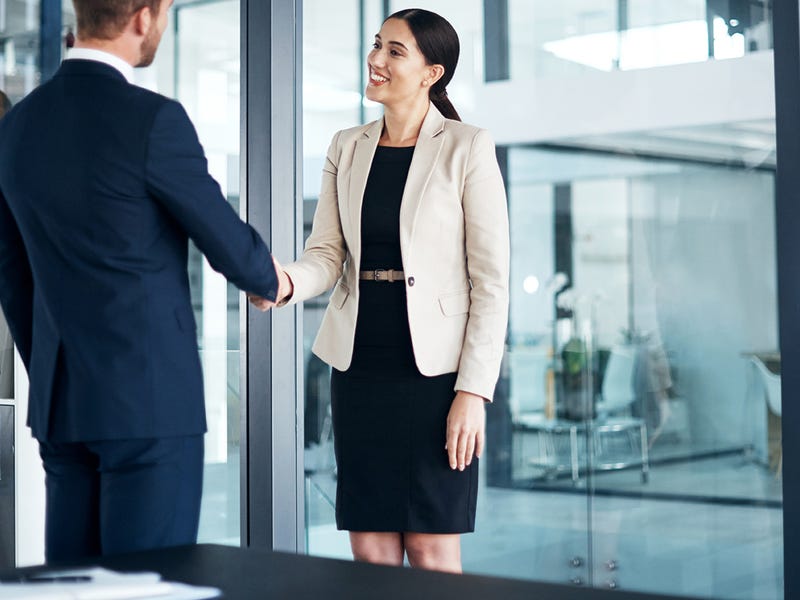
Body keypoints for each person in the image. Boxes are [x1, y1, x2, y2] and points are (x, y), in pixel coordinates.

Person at [0, 0, 289, 561]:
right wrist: (269, 279)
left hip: (62, 404)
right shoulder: (152, 119)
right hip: (147, 400)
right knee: (152, 582)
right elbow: (224, 239)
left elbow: (11, 273)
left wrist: (49, 370)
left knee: (74, 587)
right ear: (144, 16)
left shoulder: (17, 128)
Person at [271, 8, 509, 573]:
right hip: (360, 365)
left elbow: (491, 283)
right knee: (370, 546)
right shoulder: (346, 146)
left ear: (432, 72)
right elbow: (327, 254)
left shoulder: (467, 146)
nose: (376, 59)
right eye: (377, 45)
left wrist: (473, 393)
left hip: (437, 375)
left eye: (395, 51)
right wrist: (284, 282)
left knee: (431, 543)